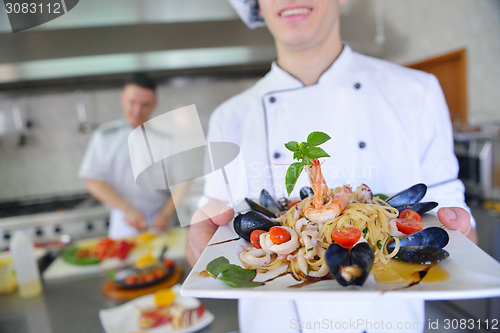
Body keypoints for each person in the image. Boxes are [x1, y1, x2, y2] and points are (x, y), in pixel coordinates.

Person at [186, 0, 477, 332]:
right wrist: (198, 242)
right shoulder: (229, 119)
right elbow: (207, 235)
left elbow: (463, 233)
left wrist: (463, 233)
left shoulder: (418, 92)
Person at [79, 73, 178, 239]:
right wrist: (127, 209)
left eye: (145, 105)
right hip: (123, 221)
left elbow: (182, 183)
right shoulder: (105, 136)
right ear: (122, 99)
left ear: (155, 104)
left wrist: (166, 213)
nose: (137, 111)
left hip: (162, 222)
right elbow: (92, 180)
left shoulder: (166, 139)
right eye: (132, 102)